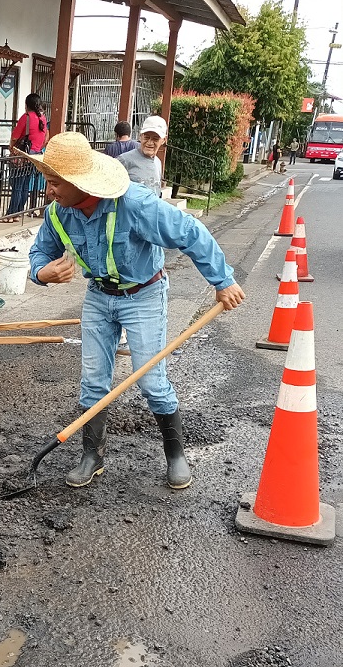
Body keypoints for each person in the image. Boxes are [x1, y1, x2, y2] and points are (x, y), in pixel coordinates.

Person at [20, 132, 245, 490]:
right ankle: (92, 457)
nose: (50, 191)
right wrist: (41, 272)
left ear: (80, 183)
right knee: (93, 381)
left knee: (151, 379)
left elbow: (190, 232)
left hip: (143, 294)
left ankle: (175, 455)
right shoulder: (58, 214)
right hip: (98, 295)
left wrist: (223, 281)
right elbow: (39, 253)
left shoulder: (135, 205)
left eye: (54, 183)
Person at [1, 93, 49, 222]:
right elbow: (46, 138)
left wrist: (12, 148)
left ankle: (11, 214)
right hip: (34, 157)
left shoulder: (26, 117)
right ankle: (19, 213)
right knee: (25, 185)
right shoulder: (43, 119)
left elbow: (15, 137)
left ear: (27, 105)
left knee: (17, 185)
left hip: (21, 156)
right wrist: (36, 148)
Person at [117, 115, 167, 196]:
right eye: (146, 137)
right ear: (140, 136)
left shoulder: (158, 162)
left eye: (155, 139)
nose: (150, 142)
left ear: (163, 140)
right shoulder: (124, 160)